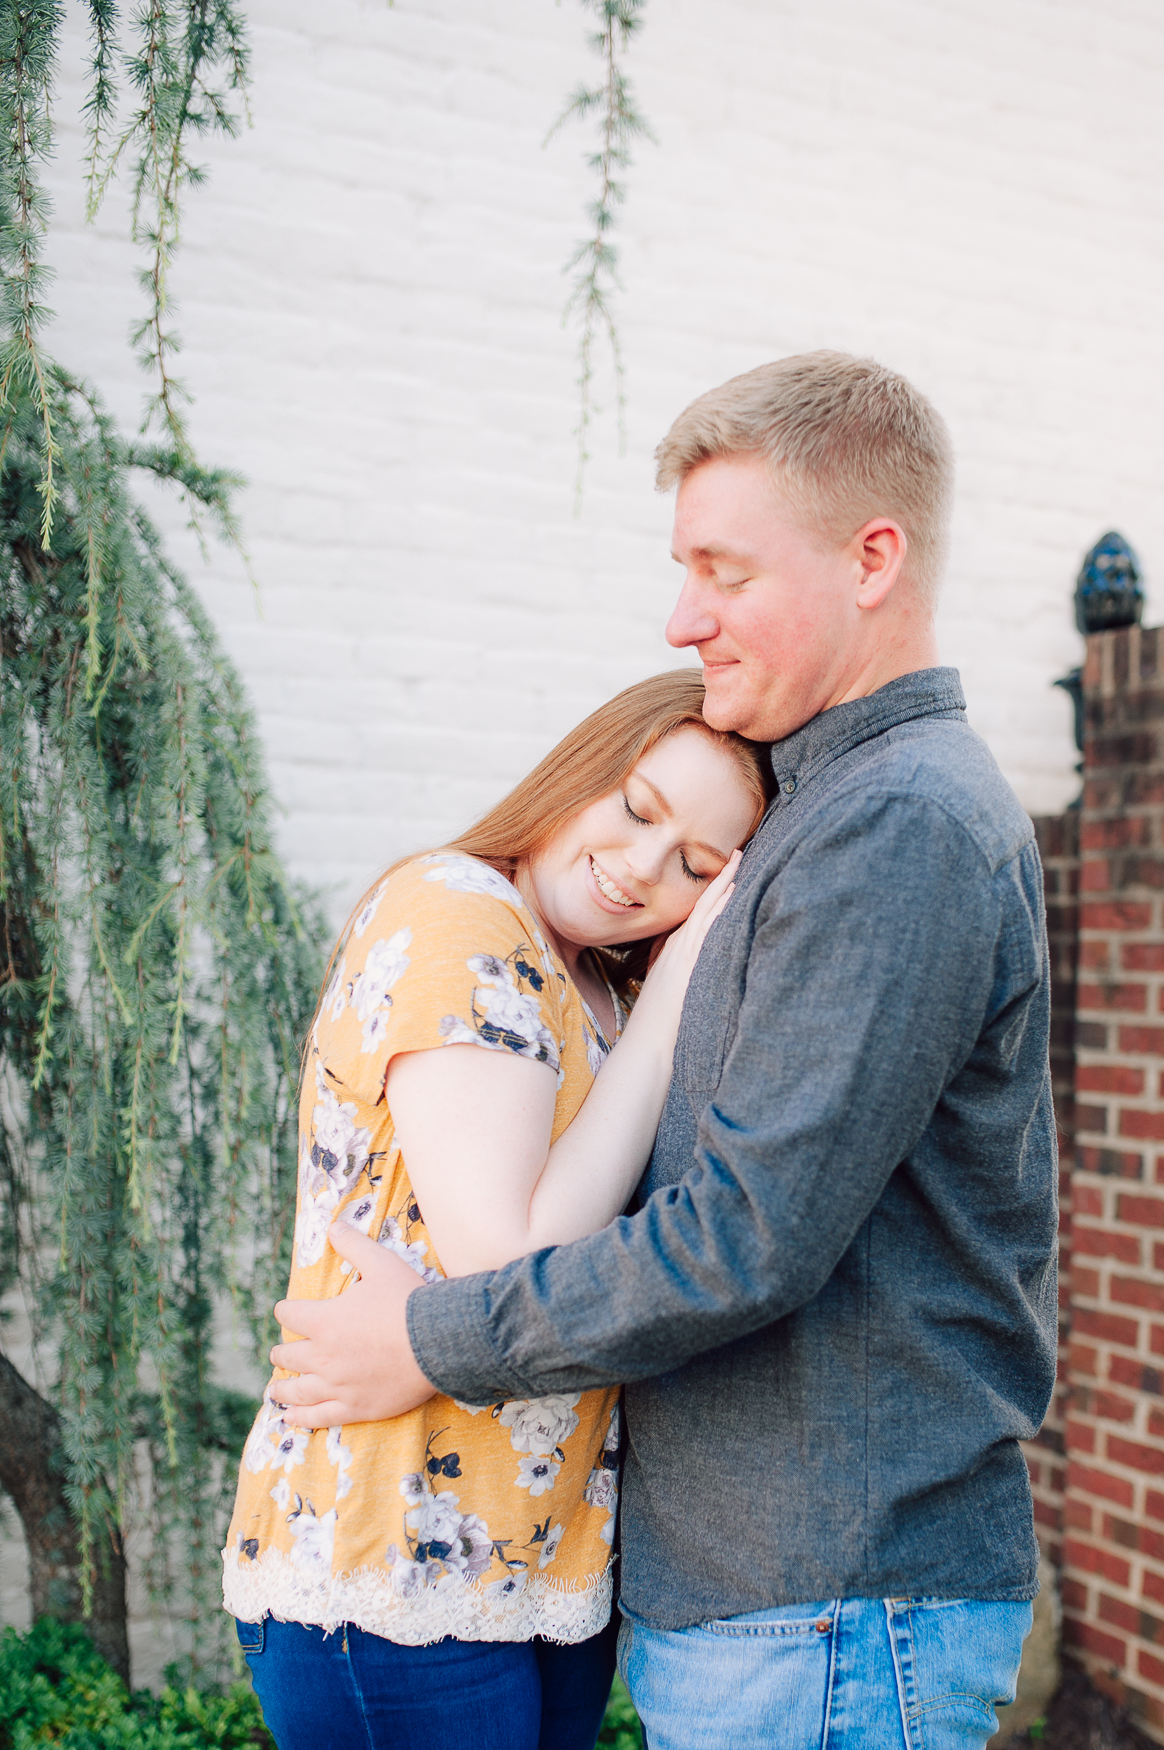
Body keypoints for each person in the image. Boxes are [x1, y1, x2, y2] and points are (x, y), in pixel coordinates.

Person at [271, 352, 1059, 1750]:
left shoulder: (898, 824)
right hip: (775, 1604)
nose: (682, 613)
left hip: (830, 1593)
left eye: (724, 568)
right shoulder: (821, 812)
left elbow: (746, 1238)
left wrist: (430, 1337)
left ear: (872, 558)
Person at [221, 670, 771, 1750]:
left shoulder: (595, 984)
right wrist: (671, 1004)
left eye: (695, 869)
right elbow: (506, 1260)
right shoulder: (458, 908)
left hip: (544, 1562)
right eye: (638, 809)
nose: (638, 869)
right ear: (582, 767)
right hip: (392, 1557)